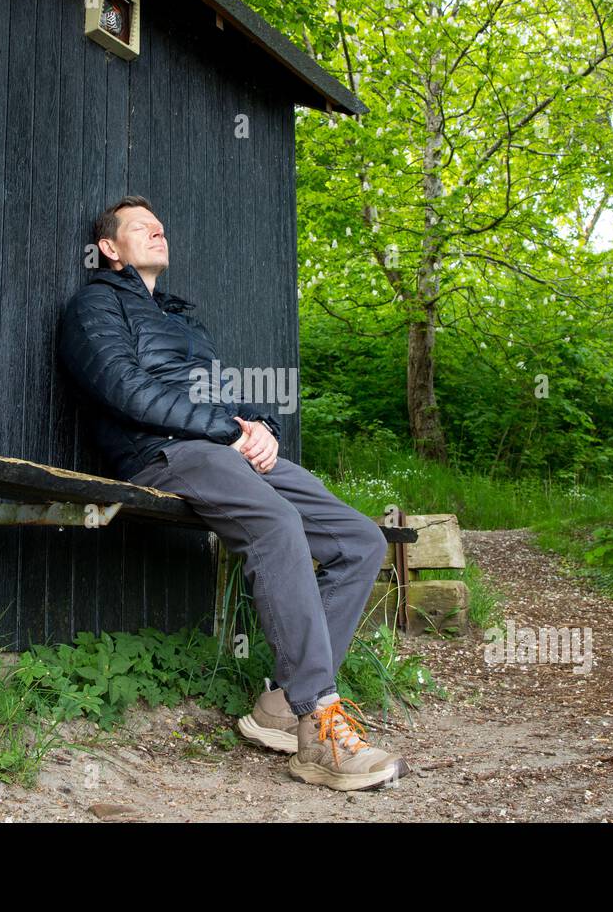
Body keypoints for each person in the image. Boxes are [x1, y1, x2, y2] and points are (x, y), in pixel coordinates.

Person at [57, 195, 408, 791]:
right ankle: (317, 724)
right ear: (110, 248)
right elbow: (124, 392)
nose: (157, 231)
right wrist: (227, 431)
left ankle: (277, 702)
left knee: (360, 540)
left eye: (161, 225)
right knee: (276, 522)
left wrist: (260, 427)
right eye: (140, 227)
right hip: (163, 452)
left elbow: (223, 394)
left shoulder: (180, 320)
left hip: (223, 449)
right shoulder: (93, 306)